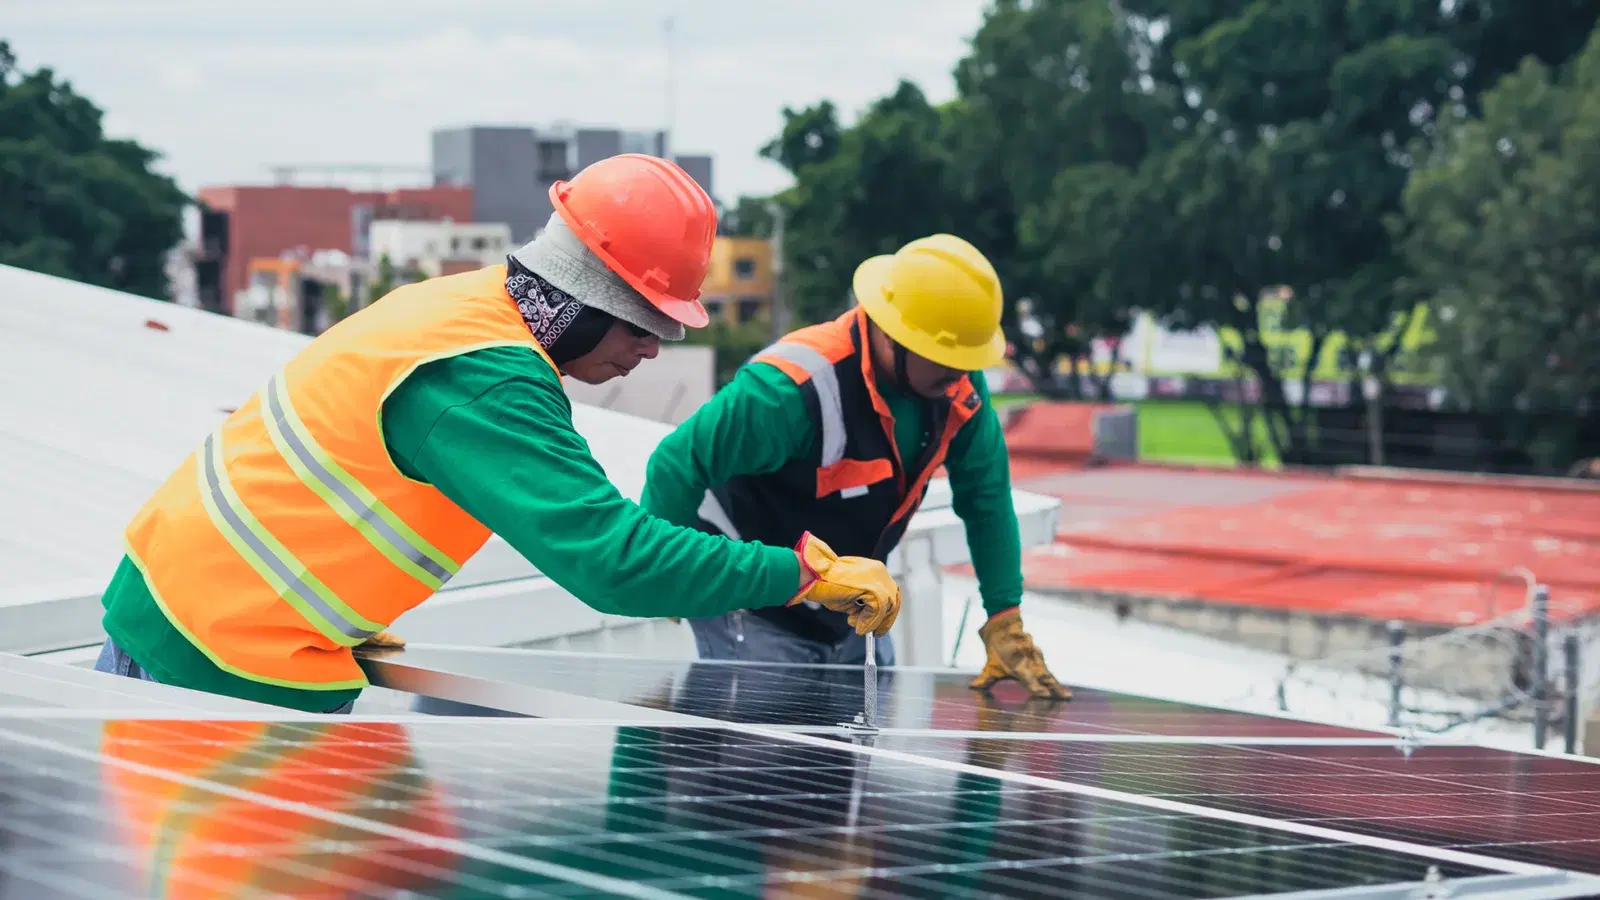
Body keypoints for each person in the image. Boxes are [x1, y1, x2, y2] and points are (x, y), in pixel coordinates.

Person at [91, 154, 901, 713]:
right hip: (215, 653)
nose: (653, 349)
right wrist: (801, 573)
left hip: (196, 611)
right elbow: (612, 564)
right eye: (646, 323)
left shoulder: (463, 307)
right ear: (588, 294)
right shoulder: (486, 378)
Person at [641, 233, 1068, 699]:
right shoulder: (790, 389)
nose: (960, 375)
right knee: (770, 751)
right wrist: (668, 578)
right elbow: (676, 463)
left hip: (853, 603)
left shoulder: (957, 392)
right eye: (947, 359)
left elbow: (986, 501)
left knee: (855, 749)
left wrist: (1005, 618)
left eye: (967, 361)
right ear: (892, 333)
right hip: (755, 602)